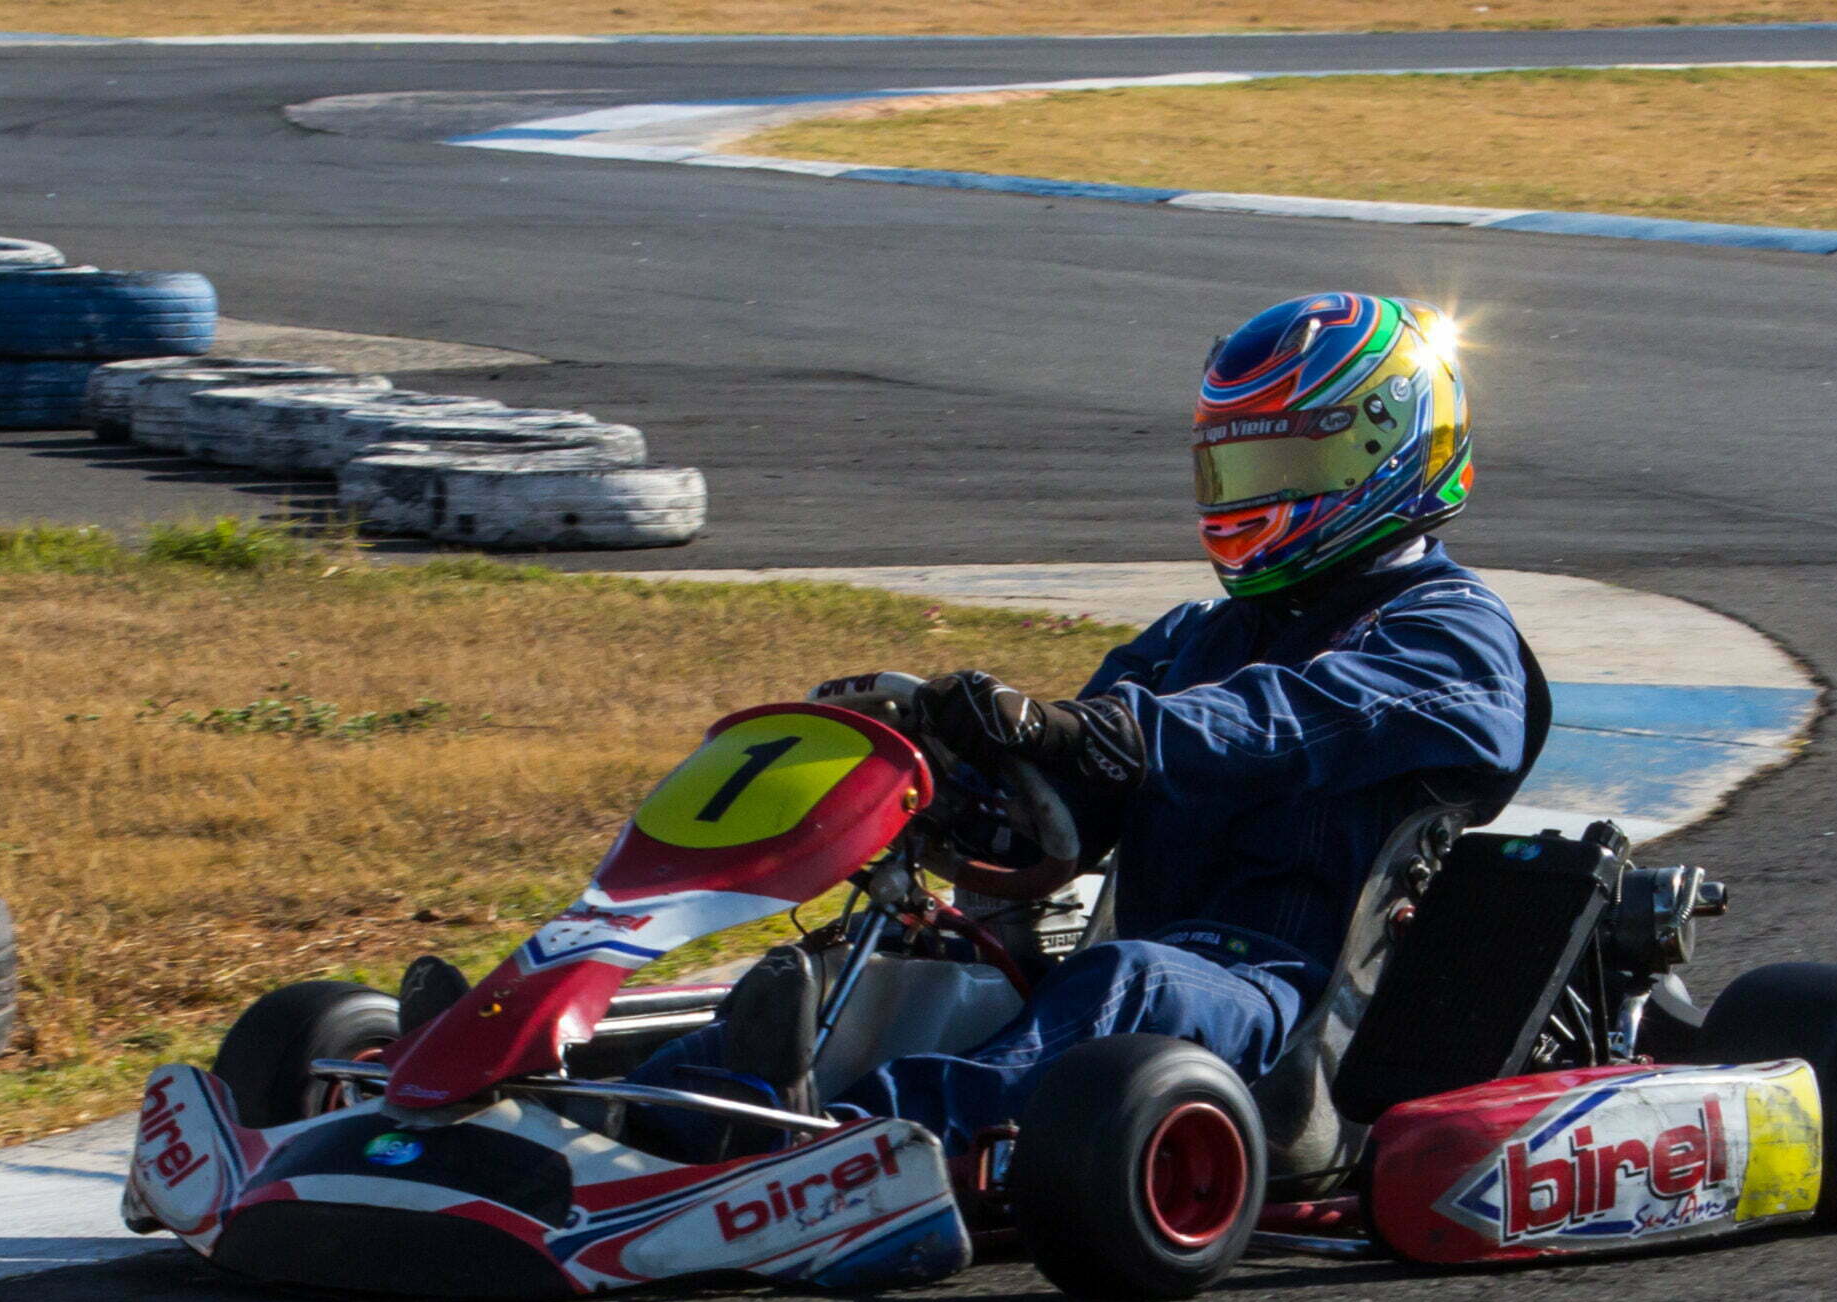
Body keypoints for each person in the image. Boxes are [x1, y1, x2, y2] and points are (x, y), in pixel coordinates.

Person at [637, 292, 1542, 1159]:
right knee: (910, 966)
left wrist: (1107, 733)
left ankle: (850, 1146)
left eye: (1280, 467)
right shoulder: (1199, 637)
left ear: (1387, 451)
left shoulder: (1451, 631)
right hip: (1151, 985)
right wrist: (960, 761)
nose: (1245, 496)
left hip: (1287, 1008)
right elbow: (1059, 794)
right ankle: (630, 1122)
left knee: (1125, 980)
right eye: (1234, 467)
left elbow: (1285, 720)